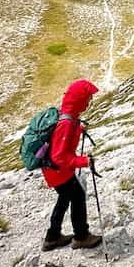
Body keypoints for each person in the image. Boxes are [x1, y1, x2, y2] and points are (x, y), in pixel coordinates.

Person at [42, 79, 102, 251]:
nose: (89, 102)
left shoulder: (69, 117)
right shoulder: (67, 123)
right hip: (58, 171)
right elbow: (59, 156)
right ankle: (81, 237)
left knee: (66, 198)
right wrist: (84, 161)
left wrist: (78, 129)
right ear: (79, 100)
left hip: (55, 171)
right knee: (76, 196)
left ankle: (53, 237)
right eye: (88, 98)